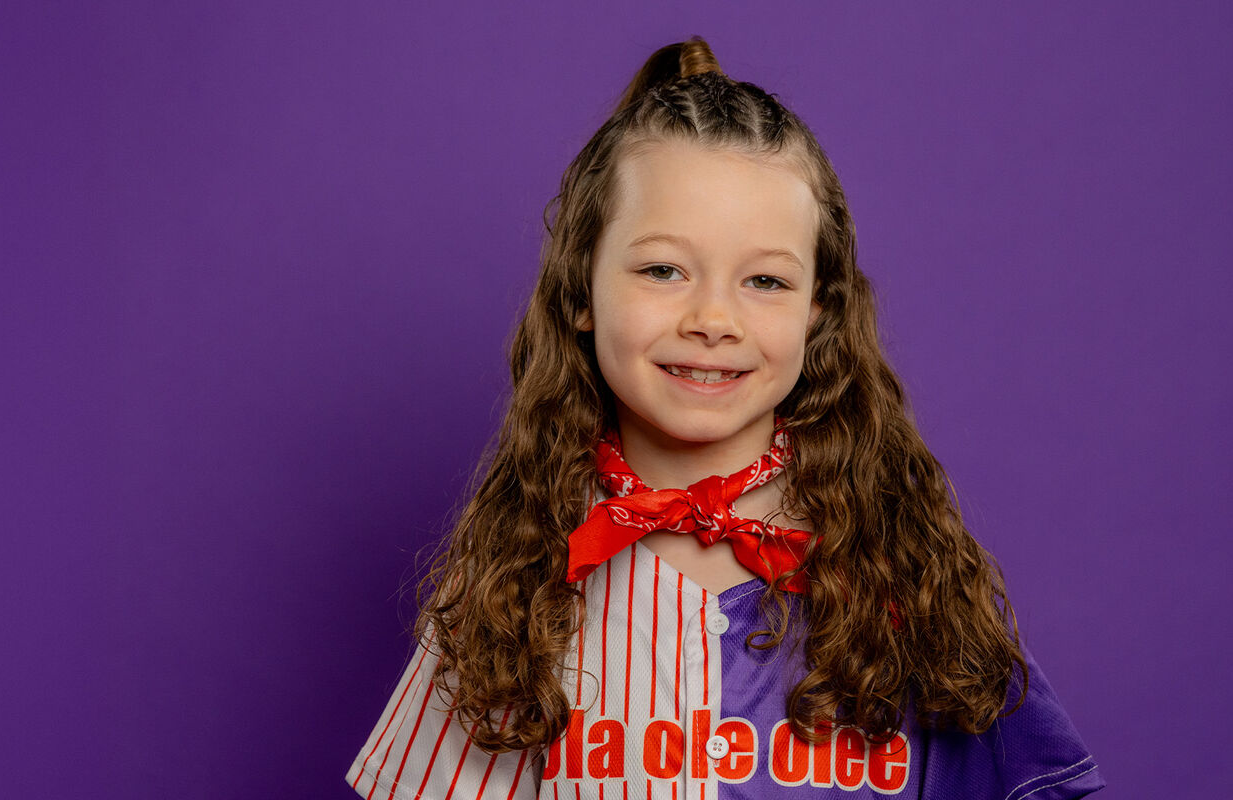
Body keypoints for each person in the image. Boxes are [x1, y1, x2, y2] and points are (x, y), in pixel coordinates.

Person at [347, 36, 1103, 799]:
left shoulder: (904, 570)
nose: (713, 319)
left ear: (818, 309)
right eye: (663, 269)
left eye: (765, 280)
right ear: (580, 290)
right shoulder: (517, 583)